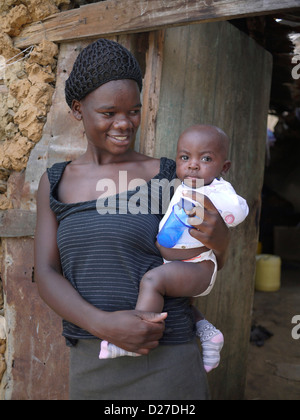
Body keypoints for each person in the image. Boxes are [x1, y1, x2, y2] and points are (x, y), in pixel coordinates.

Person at [34, 38, 230, 400]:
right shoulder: (55, 182)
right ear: (78, 109)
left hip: (168, 358)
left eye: (134, 111)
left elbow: (204, 263)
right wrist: (102, 324)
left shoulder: (171, 178)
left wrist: (221, 241)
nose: (124, 124)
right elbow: (45, 273)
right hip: (94, 358)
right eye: (109, 113)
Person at [100, 125, 249, 373]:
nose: (193, 165)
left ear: (223, 168)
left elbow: (239, 210)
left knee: (153, 281)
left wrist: (215, 210)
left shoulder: (217, 191)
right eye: (185, 157)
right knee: (178, 303)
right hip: (178, 262)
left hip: (199, 265)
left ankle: (136, 336)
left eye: (206, 158)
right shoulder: (184, 186)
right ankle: (210, 336)